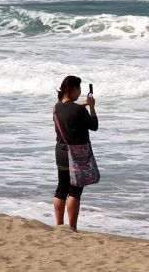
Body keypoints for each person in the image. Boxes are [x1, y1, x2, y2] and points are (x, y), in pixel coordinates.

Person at [53, 75, 98, 231]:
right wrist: (91, 107)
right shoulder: (79, 110)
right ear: (71, 89)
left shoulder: (57, 107)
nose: (79, 91)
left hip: (60, 152)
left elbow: (70, 113)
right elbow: (94, 125)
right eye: (78, 88)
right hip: (76, 154)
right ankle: (72, 227)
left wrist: (83, 105)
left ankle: (59, 225)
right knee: (75, 191)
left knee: (61, 188)